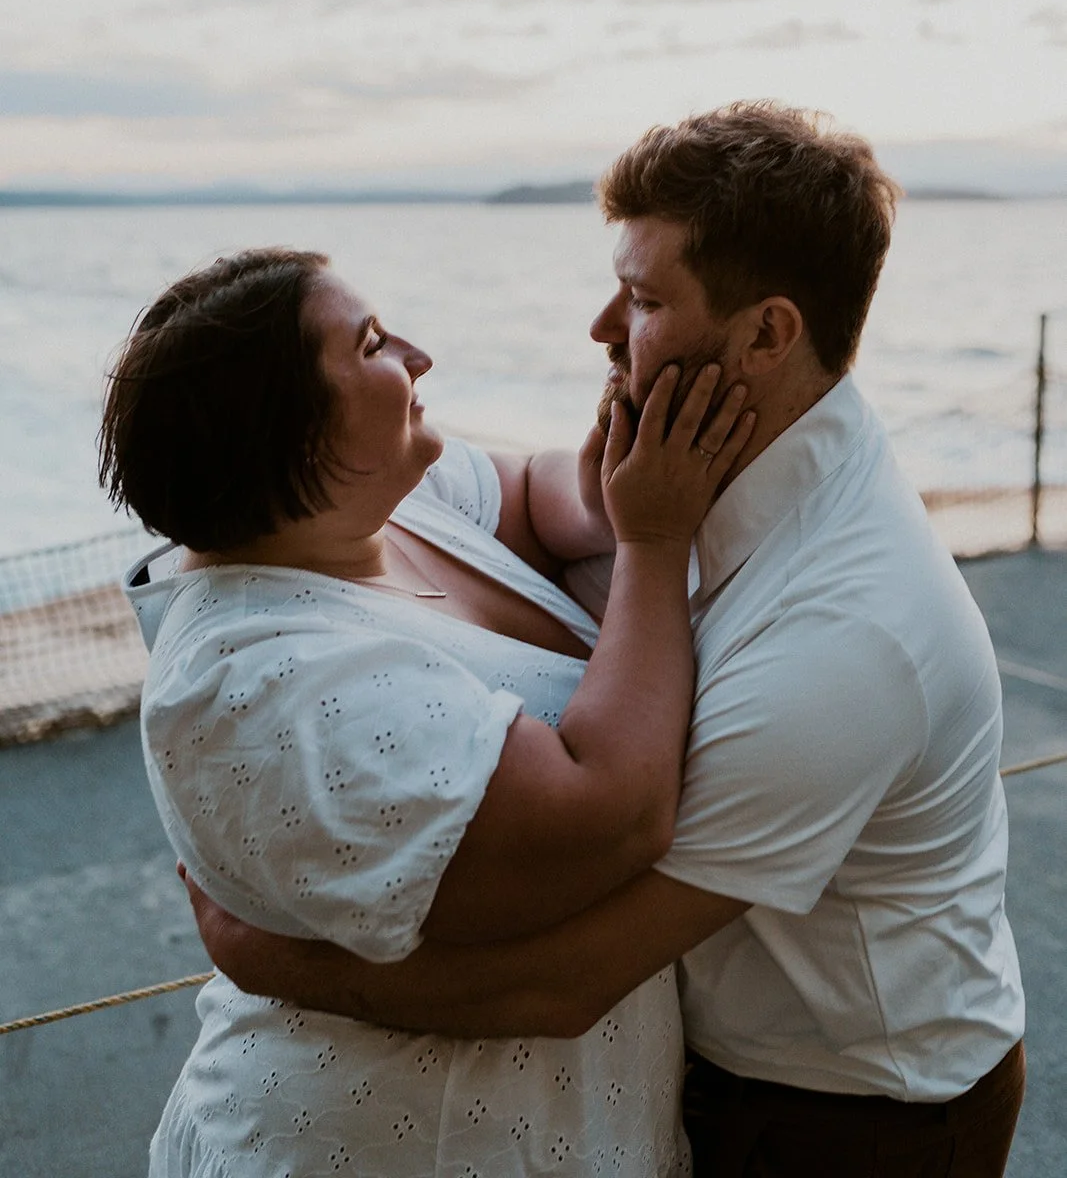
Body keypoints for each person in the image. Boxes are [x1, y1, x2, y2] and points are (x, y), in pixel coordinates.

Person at [184, 103, 1026, 1178]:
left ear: (767, 333)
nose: (597, 325)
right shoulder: (704, 470)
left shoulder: (842, 635)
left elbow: (559, 983)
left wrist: (273, 961)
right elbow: (572, 520)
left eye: (640, 298)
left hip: (857, 1113)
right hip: (735, 1074)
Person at [100, 244, 755, 1177]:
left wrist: (621, 459)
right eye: (371, 345)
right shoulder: (260, 679)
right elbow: (610, 808)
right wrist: (653, 536)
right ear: (293, 433)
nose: (417, 355)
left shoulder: (382, 507)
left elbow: (533, 499)